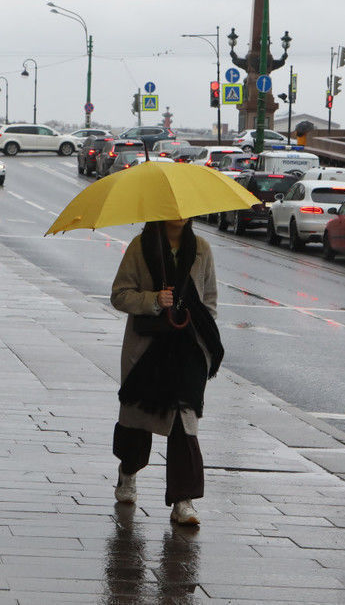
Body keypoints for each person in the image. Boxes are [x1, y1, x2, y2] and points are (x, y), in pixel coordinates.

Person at [110, 217, 223, 526]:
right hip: (147, 351)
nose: (178, 212)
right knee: (137, 420)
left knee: (184, 422)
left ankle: (183, 500)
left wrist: (201, 336)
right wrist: (153, 300)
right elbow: (119, 294)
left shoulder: (201, 249)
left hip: (187, 350)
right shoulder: (140, 247)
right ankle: (128, 472)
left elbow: (210, 301)